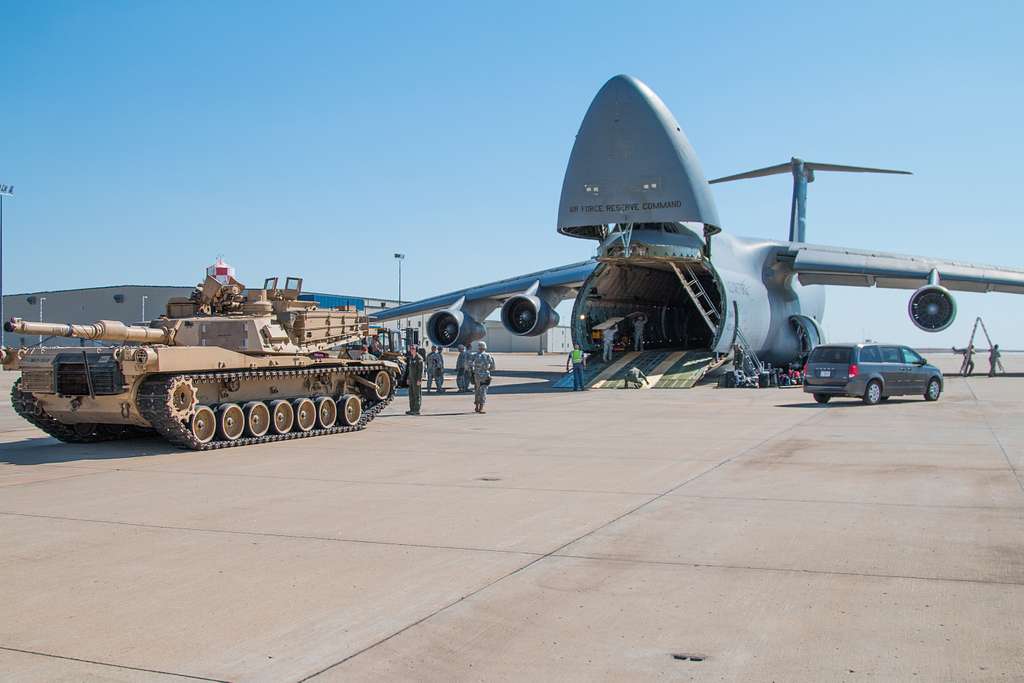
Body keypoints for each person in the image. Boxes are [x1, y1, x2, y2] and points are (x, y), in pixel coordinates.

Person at [471, 341, 496, 413]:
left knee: (477, 391)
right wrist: (487, 369)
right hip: (485, 376)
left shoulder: (474, 355)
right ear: (485, 347)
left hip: (477, 376)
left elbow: (468, 364)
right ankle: (481, 408)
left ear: (478, 347)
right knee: (483, 391)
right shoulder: (488, 355)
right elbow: (493, 367)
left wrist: (474, 371)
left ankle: (476, 407)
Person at [406, 345, 424, 415]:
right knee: (411, 394)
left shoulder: (419, 358)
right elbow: (409, 370)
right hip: (411, 379)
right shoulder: (411, 358)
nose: (411, 350)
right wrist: (408, 378)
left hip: (416, 379)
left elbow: (421, 370)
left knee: (417, 394)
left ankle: (417, 410)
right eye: (410, 348)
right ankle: (412, 409)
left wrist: (419, 379)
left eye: (413, 348)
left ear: (416, 349)